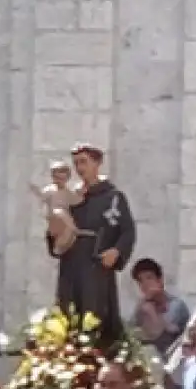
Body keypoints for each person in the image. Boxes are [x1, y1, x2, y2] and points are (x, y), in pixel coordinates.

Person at [51, 142, 137, 342]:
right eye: (76, 163)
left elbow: (127, 231)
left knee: (96, 311)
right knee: (68, 311)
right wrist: (54, 233)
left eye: (84, 162)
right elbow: (56, 231)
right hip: (71, 264)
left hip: (96, 265)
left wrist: (116, 251)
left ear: (97, 163)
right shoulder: (69, 198)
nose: (80, 168)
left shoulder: (113, 197)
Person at [130, 257, 192, 358]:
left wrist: (152, 312)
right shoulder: (141, 306)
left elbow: (161, 333)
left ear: (160, 280)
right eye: (140, 281)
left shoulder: (176, 305)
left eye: (149, 278)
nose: (145, 284)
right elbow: (132, 335)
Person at [33, 160, 82, 256]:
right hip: (54, 214)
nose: (59, 181)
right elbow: (42, 197)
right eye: (56, 177)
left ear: (67, 178)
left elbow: (76, 201)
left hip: (66, 219)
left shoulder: (68, 192)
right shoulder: (50, 190)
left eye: (62, 178)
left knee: (67, 228)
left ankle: (61, 246)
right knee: (59, 212)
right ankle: (73, 229)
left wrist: (81, 194)